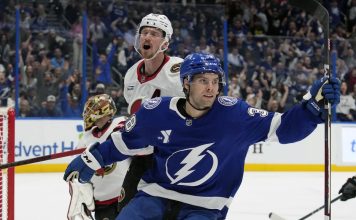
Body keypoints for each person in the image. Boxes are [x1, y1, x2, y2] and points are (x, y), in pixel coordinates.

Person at [63, 52, 340, 219]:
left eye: (215, 81)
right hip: (154, 197)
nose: (210, 88)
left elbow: (286, 129)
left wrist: (312, 107)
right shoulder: (155, 112)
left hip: (205, 207)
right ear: (185, 83)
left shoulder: (235, 115)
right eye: (202, 81)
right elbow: (122, 144)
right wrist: (89, 162)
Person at [119, 13, 185, 214]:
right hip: (143, 158)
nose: (147, 37)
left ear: (165, 42)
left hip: (174, 158)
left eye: (154, 33)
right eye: (144, 32)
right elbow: (135, 117)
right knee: (125, 210)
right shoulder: (131, 74)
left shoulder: (179, 71)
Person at [65, 94, 131, 220]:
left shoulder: (120, 123)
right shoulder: (86, 138)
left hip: (126, 195)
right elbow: (76, 174)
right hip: (102, 202)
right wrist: (79, 195)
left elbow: (121, 136)